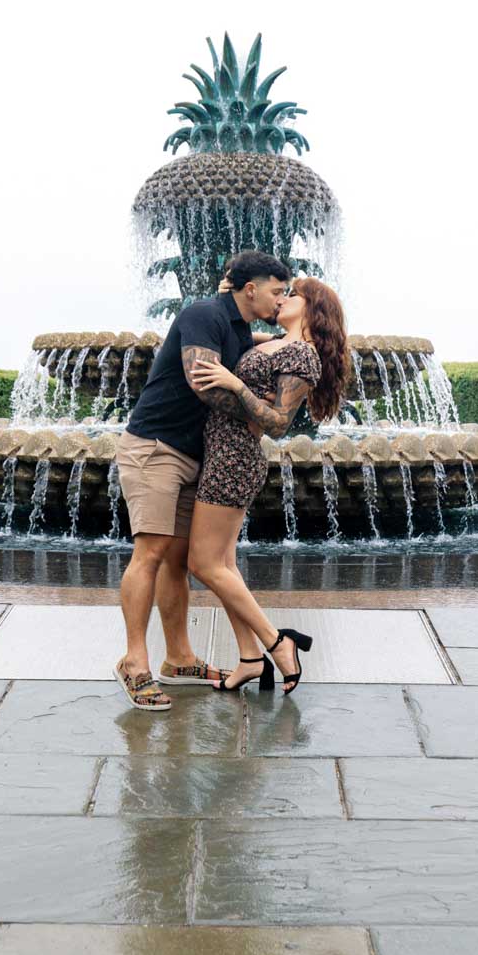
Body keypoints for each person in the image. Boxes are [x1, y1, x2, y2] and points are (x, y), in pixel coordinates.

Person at [111, 250, 290, 711]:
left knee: (178, 560)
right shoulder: (204, 315)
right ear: (250, 289)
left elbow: (267, 359)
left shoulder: (237, 332)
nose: (281, 298)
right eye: (276, 290)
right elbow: (203, 384)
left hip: (195, 455)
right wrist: (257, 407)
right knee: (149, 552)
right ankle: (134, 661)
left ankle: (180, 659)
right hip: (156, 446)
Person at [186, 276, 350, 693]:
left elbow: (278, 424)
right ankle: (249, 660)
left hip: (235, 457)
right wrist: (230, 295)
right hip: (224, 451)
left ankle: (278, 644)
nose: (283, 298)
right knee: (224, 568)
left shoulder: (303, 355)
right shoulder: (277, 341)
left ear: (313, 309)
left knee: (203, 564)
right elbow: (237, 328)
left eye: (292, 294)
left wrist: (234, 382)